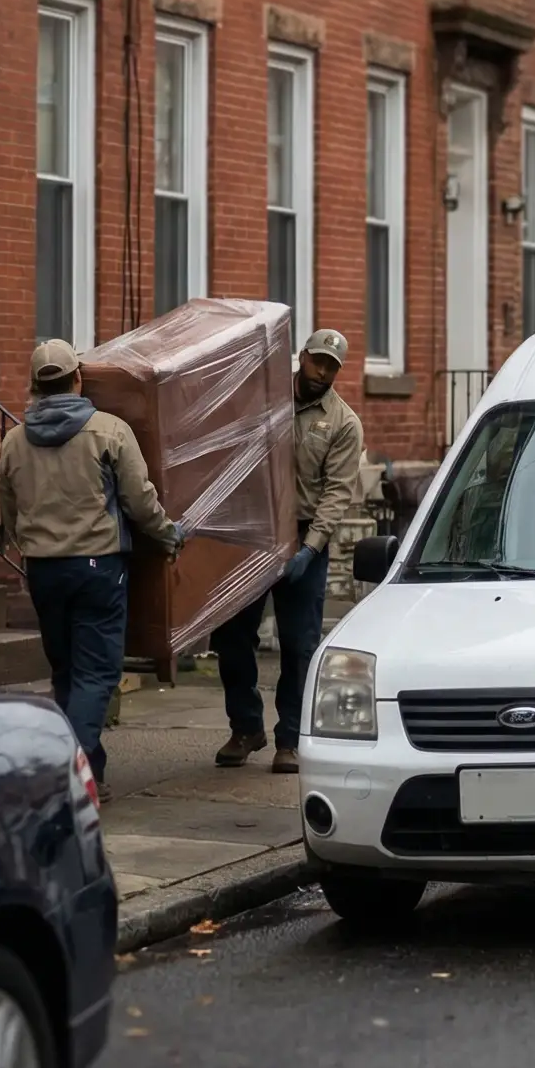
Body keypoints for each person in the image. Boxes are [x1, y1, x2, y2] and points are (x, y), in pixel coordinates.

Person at [0, 339, 182, 797]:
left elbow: (8, 510)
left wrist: (28, 548)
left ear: (36, 385)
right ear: (78, 378)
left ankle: (89, 770)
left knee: (64, 672)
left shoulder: (14, 441)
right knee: (96, 674)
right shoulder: (109, 431)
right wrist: (167, 534)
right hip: (98, 567)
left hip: (43, 569)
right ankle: (72, 775)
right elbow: (140, 500)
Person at [212, 327, 365, 774]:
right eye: (318, 361)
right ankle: (245, 728)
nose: (323, 372)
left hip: (303, 538)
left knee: (299, 645)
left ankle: (290, 739)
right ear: (302, 357)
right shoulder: (265, 401)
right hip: (254, 533)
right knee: (232, 637)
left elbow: (336, 494)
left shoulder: (342, 423)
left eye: (332, 367)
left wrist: (310, 549)